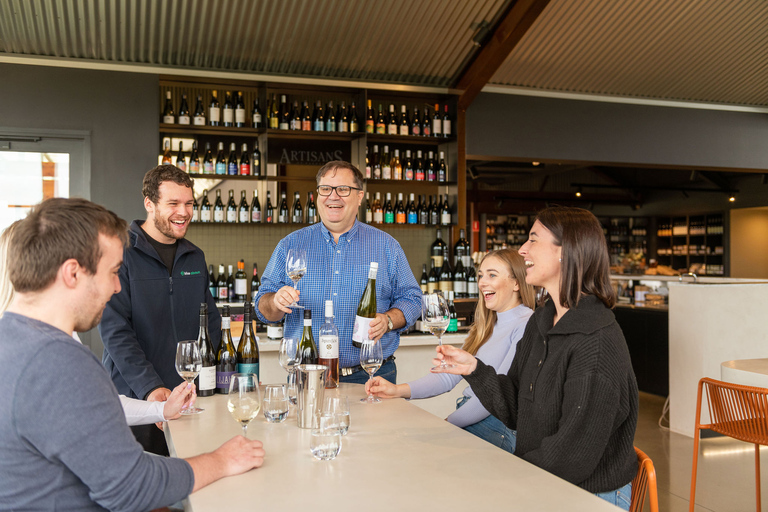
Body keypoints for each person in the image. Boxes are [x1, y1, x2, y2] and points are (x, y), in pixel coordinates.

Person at [0, 197, 264, 511]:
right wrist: (221, 460)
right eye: (112, 272)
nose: (115, 287)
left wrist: (160, 411)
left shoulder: (15, 338)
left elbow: (94, 414)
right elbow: (132, 487)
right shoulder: (59, 360)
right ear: (72, 273)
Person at [433, 206, 638, 510]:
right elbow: (517, 407)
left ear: (566, 252)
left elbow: (573, 455)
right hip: (548, 479)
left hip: (589, 494)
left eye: (533, 240)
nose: (522, 249)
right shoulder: (542, 321)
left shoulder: (596, 342)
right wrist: (474, 369)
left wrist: (506, 479)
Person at [1, 221, 196, 426]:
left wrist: (161, 410)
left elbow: (97, 404)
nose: (116, 286)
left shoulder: (56, 333)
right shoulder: (38, 348)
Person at [255, 161, 423, 384]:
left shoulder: (386, 246)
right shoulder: (290, 244)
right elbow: (262, 307)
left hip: (371, 375)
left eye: (343, 189)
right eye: (325, 189)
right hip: (307, 376)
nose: (333, 196)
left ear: (360, 196)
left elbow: (413, 299)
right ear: (317, 196)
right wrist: (275, 302)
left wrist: (389, 320)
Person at [99, 164, 221, 453]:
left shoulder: (194, 257)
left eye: (189, 203)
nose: (184, 211)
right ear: (149, 204)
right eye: (173, 203)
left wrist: (205, 378)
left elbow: (211, 323)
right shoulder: (121, 254)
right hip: (137, 400)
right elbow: (116, 332)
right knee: (141, 491)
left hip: (188, 398)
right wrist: (151, 389)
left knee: (188, 484)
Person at [366, 249, 535, 452]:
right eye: (480, 275)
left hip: (493, 425)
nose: (482, 283)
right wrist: (397, 390)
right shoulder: (487, 325)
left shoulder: (526, 324)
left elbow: (495, 397)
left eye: (492, 275)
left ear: (517, 282)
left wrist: (449, 422)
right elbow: (447, 378)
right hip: (471, 416)